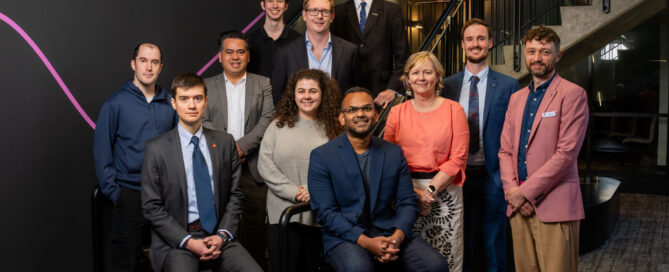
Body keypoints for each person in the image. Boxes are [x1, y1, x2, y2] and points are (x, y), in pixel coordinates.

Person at [308, 87, 449, 272]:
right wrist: (366, 242)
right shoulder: (322, 156)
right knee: (359, 269)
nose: (360, 114)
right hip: (344, 235)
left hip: (389, 230)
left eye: (366, 108)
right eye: (352, 110)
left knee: (435, 266)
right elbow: (326, 213)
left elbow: (407, 202)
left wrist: (397, 237)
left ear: (375, 115)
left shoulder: (393, 153)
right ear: (342, 118)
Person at [141, 72, 261, 272]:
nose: (191, 105)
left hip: (219, 237)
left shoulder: (225, 142)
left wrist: (222, 235)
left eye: (197, 98)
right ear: (173, 103)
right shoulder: (157, 149)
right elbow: (151, 207)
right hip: (178, 242)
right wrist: (187, 241)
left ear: (206, 101)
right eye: (184, 99)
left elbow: (235, 194)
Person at [498, 25, 588, 272]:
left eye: (545, 52)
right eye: (531, 51)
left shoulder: (573, 94)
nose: (537, 58)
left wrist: (525, 192)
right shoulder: (516, 99)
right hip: (518, 208)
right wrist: (513, 192)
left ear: (557, 56)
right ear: (525, 55)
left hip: (555, 206)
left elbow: (566, 154)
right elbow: (505, 150)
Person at [441, 18, 520, 272]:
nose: (476, 44)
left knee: (494, 241)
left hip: (493, 176)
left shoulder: (509, 85)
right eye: (470, 39)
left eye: (481, 38)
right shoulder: (447, 86)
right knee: (459, 239)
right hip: (456, 177)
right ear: (462, 44)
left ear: (490, 43)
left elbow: (515, 135)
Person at [93, 42, 177, 272]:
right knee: (125, 262)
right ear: (133, 64)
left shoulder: (170, 104)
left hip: (163, 196)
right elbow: (102, 153)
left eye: (154, 62)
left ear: (161, 67)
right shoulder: (115, 104)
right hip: (129, 194)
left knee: (167, 259)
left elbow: (179, 148)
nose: (148, 67)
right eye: (143, 61)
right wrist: (117, 194)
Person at [384, 51, 469, 272]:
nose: (421, 77)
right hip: (405, 193)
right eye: (416, 72)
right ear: (407, 79)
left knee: (447, 256)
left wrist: (429, 190)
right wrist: (414, 193)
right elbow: (387, 159)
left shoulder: (454, 109)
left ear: (438, 76)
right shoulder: (396, 112)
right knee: (412, 258)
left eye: (428, 72)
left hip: (445, 192)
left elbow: (458, 157)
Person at [202, 30, 274, 269]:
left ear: (248, 56)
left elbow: (267, 119)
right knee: (219, 223)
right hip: (218, 165)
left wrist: (240, 148)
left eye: (240, 51)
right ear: (220, 57)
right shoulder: (205, 85)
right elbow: (202, 120)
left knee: (254, 227)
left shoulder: (262, 83)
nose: (235, 57)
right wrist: (228, 150)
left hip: (253, 167)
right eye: (229, 52)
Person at [258, 69, 343, 271]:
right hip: (281, 215)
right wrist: (294, 192)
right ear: (293, 94)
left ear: (323, 94)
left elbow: (340, 169)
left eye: (312, 91)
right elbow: (265, 165)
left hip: (321, 216)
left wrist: (311, 189)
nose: (306, 96)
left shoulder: (336, 129)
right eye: (301, 91)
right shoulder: (276, 126)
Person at [271, 0, 359, 104]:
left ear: (332, 16)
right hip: (298, 119)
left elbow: (355, 94)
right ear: (304, 15)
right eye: (313, 10)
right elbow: (278, 97)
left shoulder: (349, 51)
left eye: (325, 11)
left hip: (337, 119)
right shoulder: (286, 53)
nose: (319, 16)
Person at [331, 0, 410, 108]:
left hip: (382, 96)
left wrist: (392, 89)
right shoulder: (337, 12)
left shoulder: (391, 10)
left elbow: (404, 57)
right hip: (346, 94)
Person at [247, 0, 300, 78]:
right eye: (270, 1)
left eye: (279, 1)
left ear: (286, 6)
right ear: (263, 5)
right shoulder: (249, 41)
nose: (275, 5)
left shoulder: (299, 41)